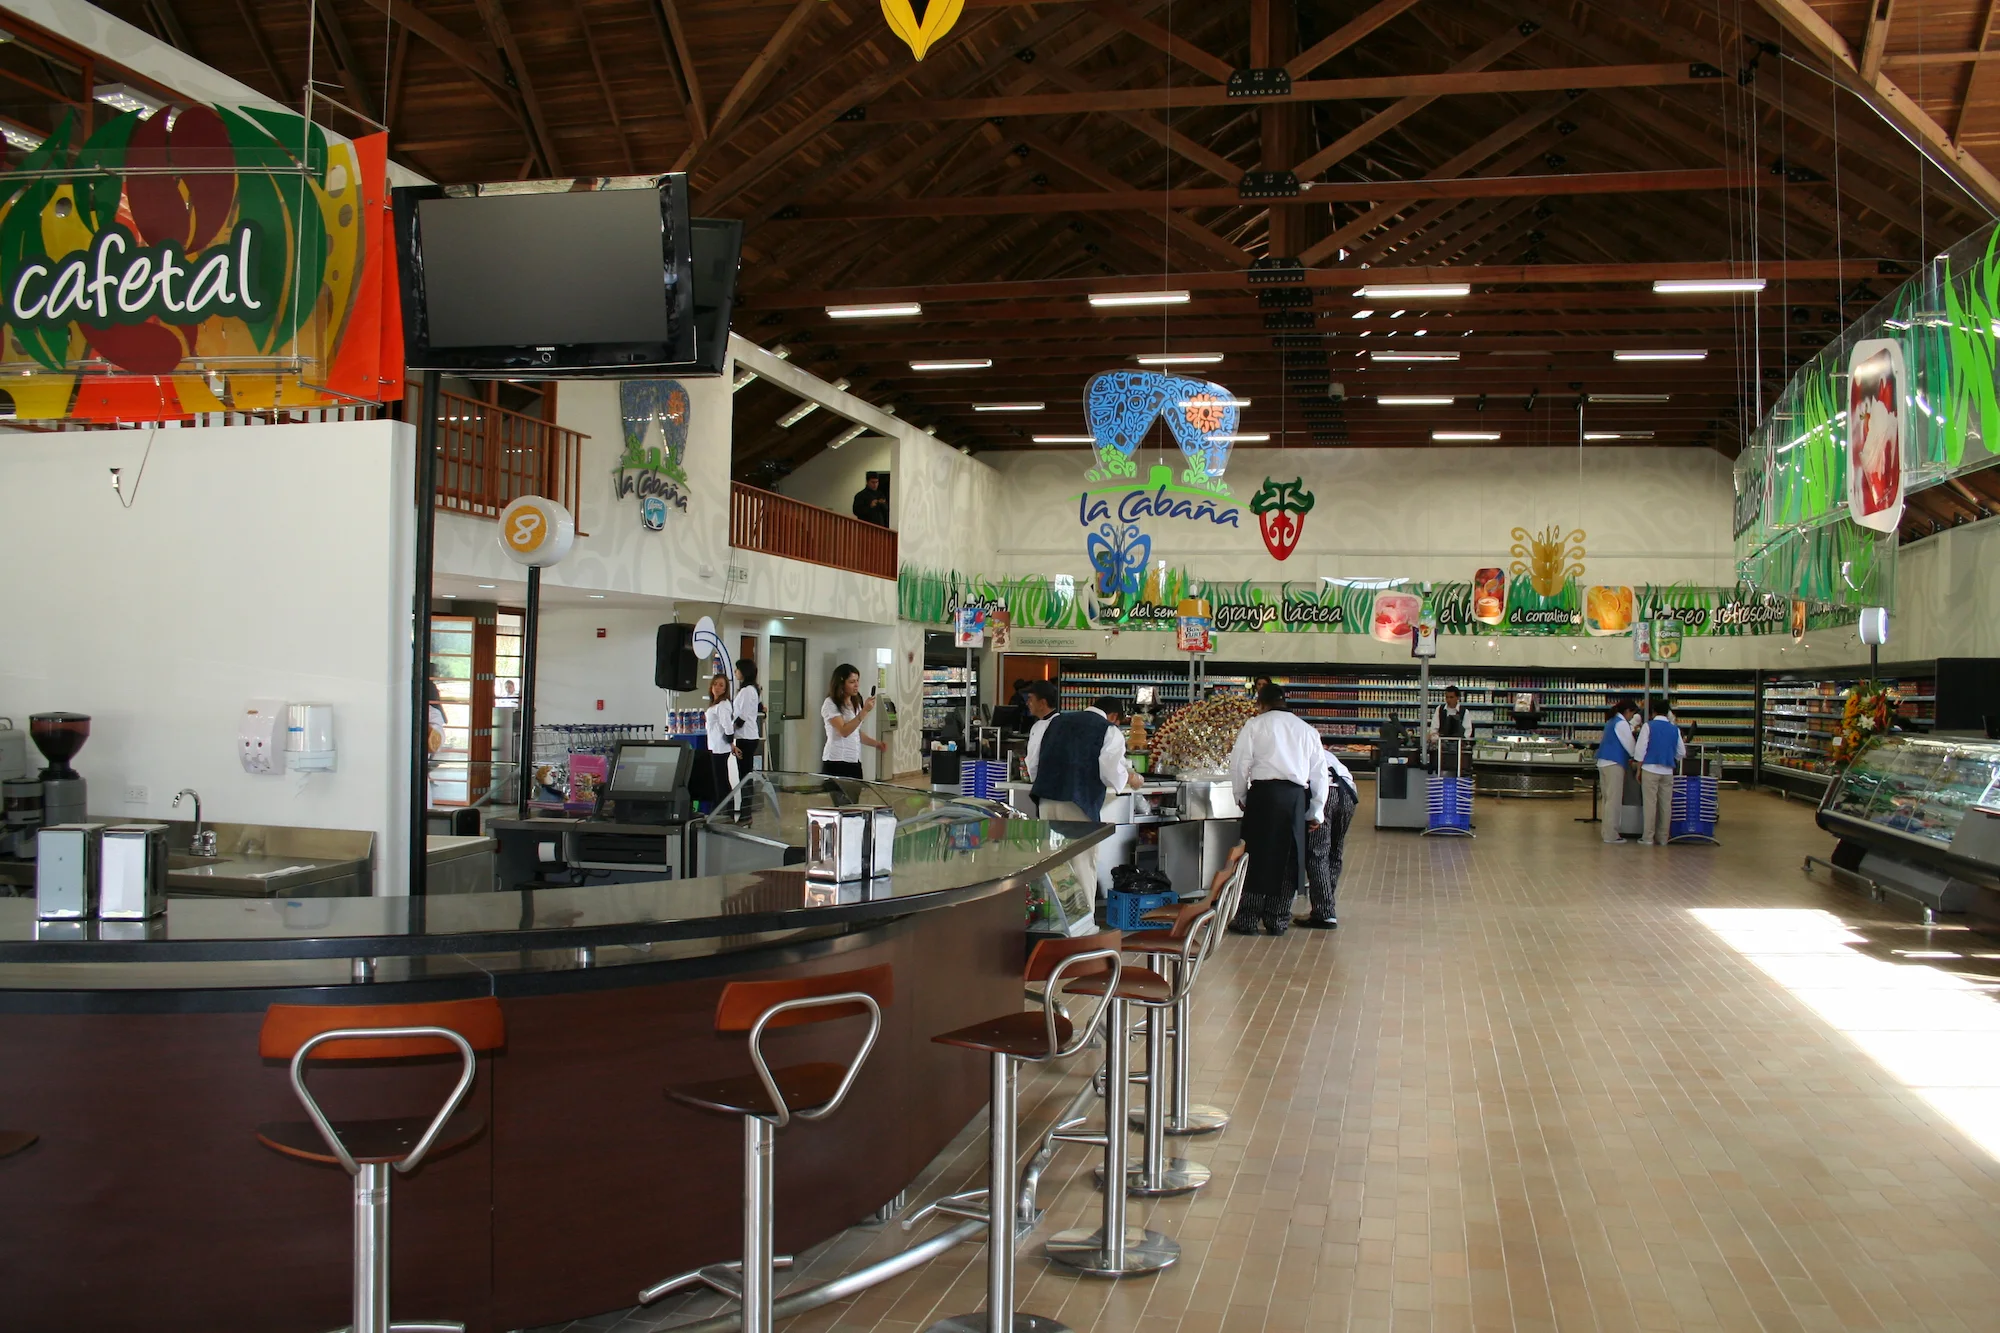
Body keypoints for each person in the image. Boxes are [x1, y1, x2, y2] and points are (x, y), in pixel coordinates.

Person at [1227, 683, 1329, 936]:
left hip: (1263, 796)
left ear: (1260, 704)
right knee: (1288, 859)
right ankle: (1277, 919)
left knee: (1255, 856)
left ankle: (1247, 919)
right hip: (1295, 798)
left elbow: (1239, 763)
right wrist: (1316, 811)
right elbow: (1319, 773)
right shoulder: (1306, 730)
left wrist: (1240, 795)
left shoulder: (1255, 725)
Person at [1296, 742, 1358, 930]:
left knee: (1317, 854)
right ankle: (1326, 906)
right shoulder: (1326, 753)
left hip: (1326, 793)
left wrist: (1313, 813)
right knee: (1334, 852)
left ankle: (1324, 913)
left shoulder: (1298, 753)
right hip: (1348, 794)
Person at [821, 662, 887, 779]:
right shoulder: (830, 703)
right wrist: (864, 711)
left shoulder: (855, 702)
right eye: (852, 682)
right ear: (841, 684)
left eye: (857, 681)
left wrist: (876, 743)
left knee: (855, 790)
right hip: (836, 760)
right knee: (839, 791)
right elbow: (844, 731)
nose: (856, 685)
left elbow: (855, 732)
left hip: (854, 759)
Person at [1595, 697, 1642, 844]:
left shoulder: (1612, 721)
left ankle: (1606, 832)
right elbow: (1630, 746)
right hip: (1614, 763)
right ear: (1628, 711)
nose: (1631, 717)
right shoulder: (1621, 723)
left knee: (1607, 800)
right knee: (1614, 801)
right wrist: (1638, 756)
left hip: (1603, 762)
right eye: (1632, 714)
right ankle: (1612, 835)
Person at [1638, 701, 1685, 847]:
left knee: (1650, 805)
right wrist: (1670, 756)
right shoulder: (1674, 729)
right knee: (1665, 805)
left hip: (1650, 769)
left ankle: (1648, 838)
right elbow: (1681, 752)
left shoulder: (1648, 726)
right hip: (1667, 771)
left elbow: (1640, 750)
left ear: (1653, 712)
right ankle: (1663, 838)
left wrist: (1639, 767)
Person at [702, 672, 738, 802]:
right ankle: (723, 806)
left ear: (725, 689)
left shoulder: (722, 705)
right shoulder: (715, 704)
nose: (717, 687)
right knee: (719, 779)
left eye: (721, 685)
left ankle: (726, 807)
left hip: (720, 747)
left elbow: (727, 726)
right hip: (715, 745)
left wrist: (730, 742)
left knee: (721, 780)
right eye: (715, 684)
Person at [1022, 680, 1060, 780]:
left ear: (1042, 703)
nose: (1027, 703)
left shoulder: (1057, 725)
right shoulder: (1037, 726)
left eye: (1030, 699)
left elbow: (1035, 761)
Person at [731, 657, 762, 772]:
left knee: (744, 773)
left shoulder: (747, 691)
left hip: (745, 736)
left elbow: (743, 716)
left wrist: (730, 730)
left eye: (737, 669)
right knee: (745, 771)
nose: (735, 671)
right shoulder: (751, 689)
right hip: (747, 736)